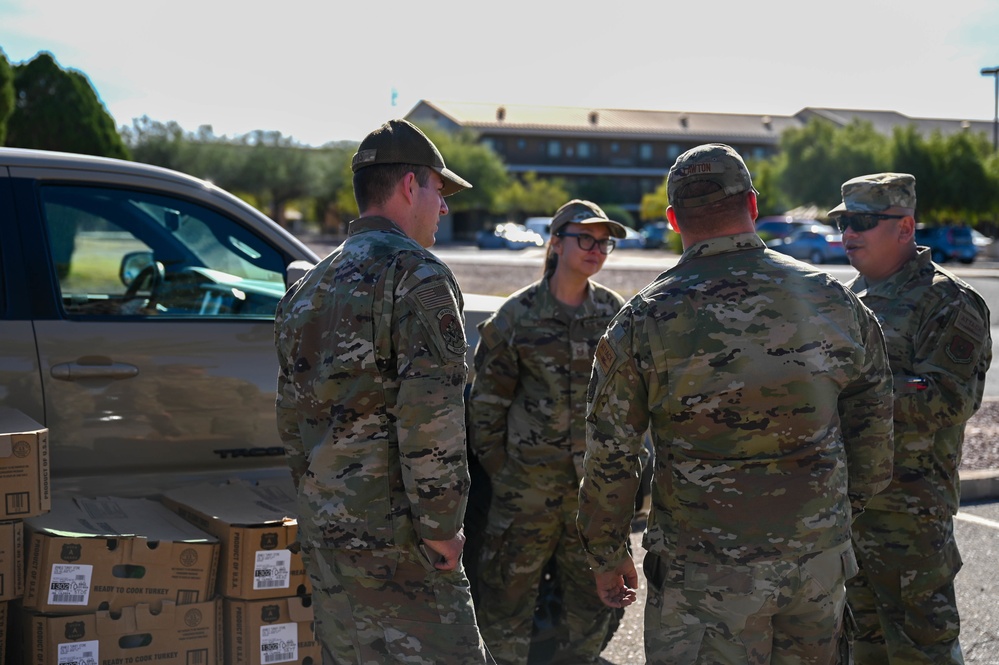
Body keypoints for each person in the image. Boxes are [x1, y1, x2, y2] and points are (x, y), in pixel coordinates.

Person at [577, 143, 895, 664]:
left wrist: (607, 551)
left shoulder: (643, 319)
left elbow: (612, 453)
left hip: (704, 575)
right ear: (751, 204)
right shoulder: (834, 300)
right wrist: (834, 514)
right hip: (815, 565)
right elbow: (875, 426)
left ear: (674, 219)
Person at [274, 118, 493, 664]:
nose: (444, 208)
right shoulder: (417, 275)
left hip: (328, 530)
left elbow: (291, 419)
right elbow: (432, 419)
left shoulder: (307, 285)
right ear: (410, 186)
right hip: (400, 543)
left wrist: (321, 502)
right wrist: (442, 527)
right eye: (440, 190)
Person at [830, 173, 993, 663]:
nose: (848, 233)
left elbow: (947, 398)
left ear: (904, 227)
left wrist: (846, 389)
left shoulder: (948, 301)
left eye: (861, 222)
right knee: (861, 650)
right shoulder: (847, 299)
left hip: (910, 522)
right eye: (842, 222)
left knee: (923, 653)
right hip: (849, 515)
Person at [469, 199, 627, 664]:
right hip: (525, 495)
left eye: (604, 242)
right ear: (556, 243)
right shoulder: (515, 317)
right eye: (585, 238)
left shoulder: (614, 315)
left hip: (590, 499)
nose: (596, 249)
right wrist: (506, 473)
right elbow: (486, 407)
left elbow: (626, 407)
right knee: (505, 606)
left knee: (592, 608)